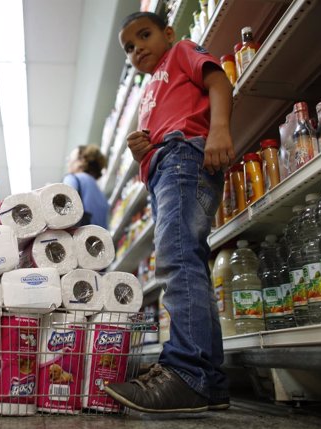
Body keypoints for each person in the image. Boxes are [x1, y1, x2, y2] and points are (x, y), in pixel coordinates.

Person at [103, 12, 235, 413]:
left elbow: (219, 81)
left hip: (184, 158)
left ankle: (185, 372)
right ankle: (208, 381)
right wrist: (142, 151)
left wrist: (219, 129)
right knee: (186, 262)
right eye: (128, 46)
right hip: (164, 169)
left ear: (169, 33)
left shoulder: (181, 52)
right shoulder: (149, 90)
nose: (136, 48)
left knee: (177, 262)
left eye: (144, 36)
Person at [63, 144, 109, 228]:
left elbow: (64, 212)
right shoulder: (101, 194)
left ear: (81, 160)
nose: (68, 162)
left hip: (78, 237)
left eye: (70, 158)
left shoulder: (73, 178)